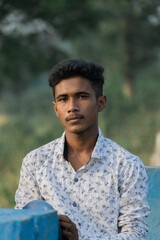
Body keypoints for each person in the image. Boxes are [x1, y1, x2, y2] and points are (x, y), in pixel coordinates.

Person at [15, 59, 150, 240]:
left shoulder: (127, 165)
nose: (72, 107)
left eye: (82, 96)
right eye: (63, 99)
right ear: (56, 108)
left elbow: (137, 234)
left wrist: (82, 239)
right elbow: (24, 225)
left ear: (100, 103)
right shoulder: (36, 162)